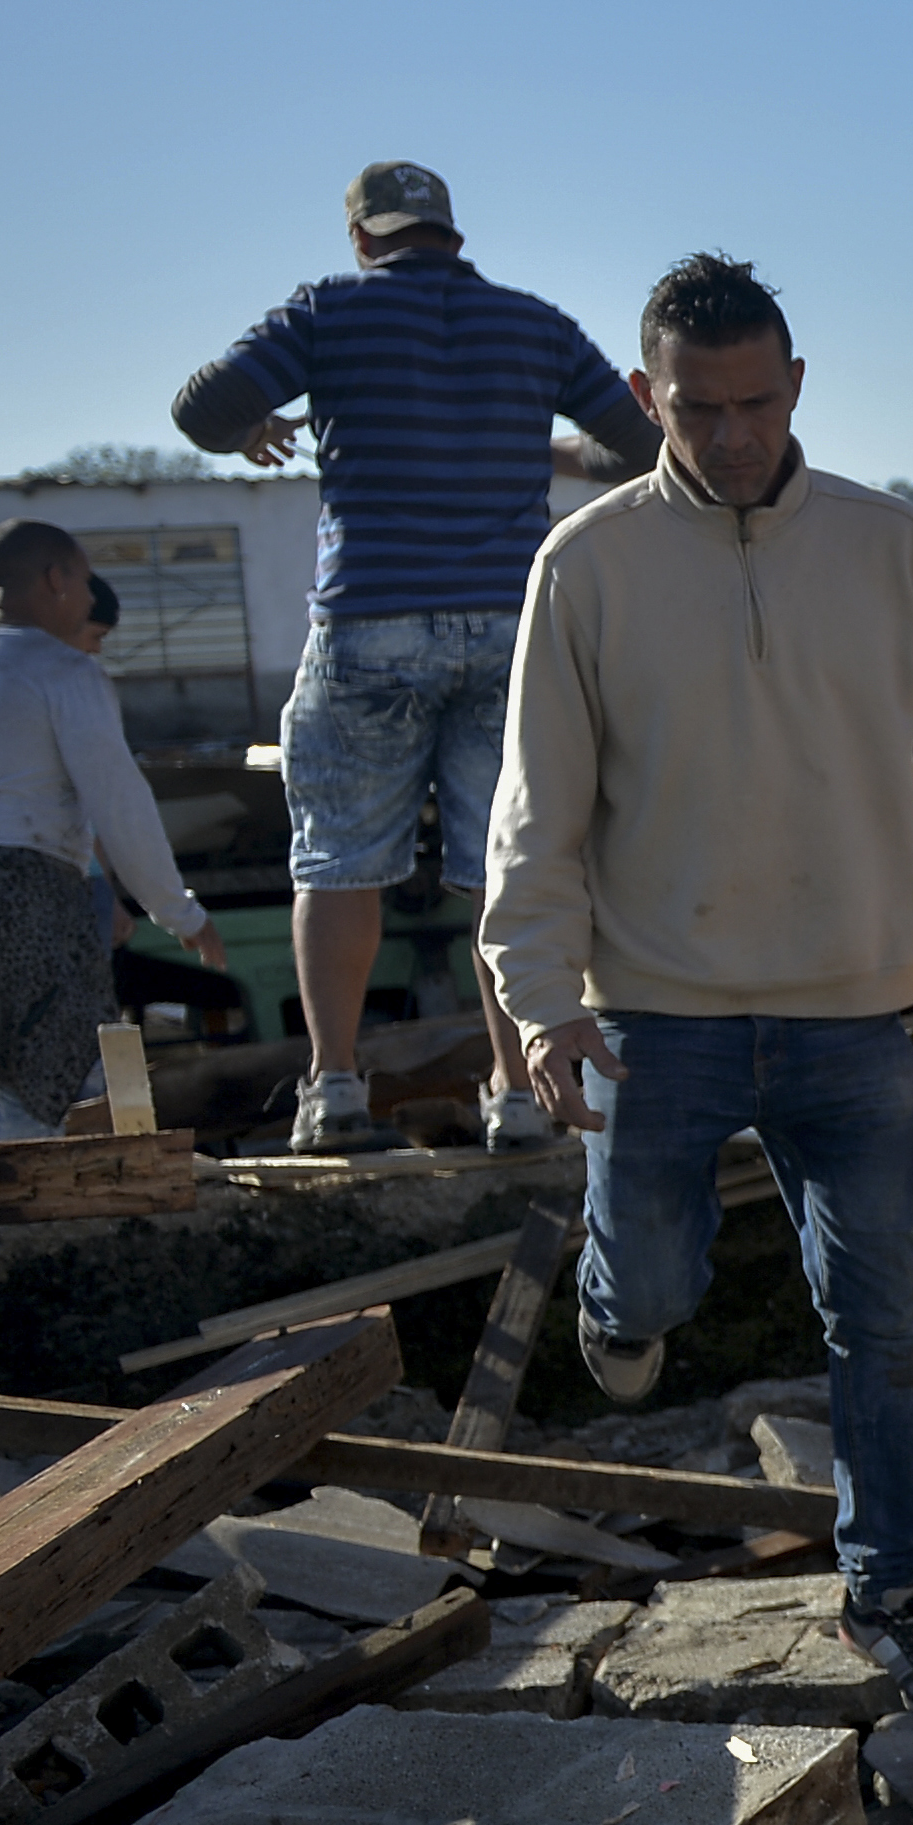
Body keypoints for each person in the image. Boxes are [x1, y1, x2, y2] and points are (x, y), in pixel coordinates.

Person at [481, 255, 913, 1720]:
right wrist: (543, 996)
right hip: (658, 1016)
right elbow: (534, 810)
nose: (735, 433)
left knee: (877, 1320)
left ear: (797, 384)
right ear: (645, 398)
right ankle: (621, 1306)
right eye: (701, 407)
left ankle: (887, 1592)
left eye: (757, 401)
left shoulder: (886, 550)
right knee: (659, 1285)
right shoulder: (589, 567)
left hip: (848, 1017)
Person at [173, 163, 655, 1155]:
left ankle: (335, 1088)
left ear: (362, 237)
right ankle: (519, 1092)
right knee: (503, 869)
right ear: (452, 234)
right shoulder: (537, 325)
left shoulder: (328, 312)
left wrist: (255, 425)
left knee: (341, 863)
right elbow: (644, 449)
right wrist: (544, 448)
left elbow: (200, 410)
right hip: (510, 628)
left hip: (370, 622)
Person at [0, 520, 227, 1140]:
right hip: (33, 902)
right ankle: (36, 1231)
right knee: (44, 1100)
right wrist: (180, 913)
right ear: (55, 579)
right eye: (84, 581)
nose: (89, 598)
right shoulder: (66, 672)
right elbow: (120, 802)